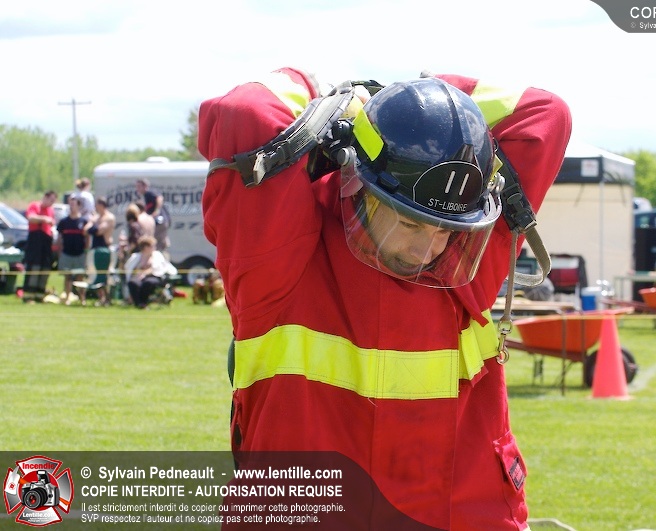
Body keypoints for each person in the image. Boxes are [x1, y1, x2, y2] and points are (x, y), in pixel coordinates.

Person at [199, 67, 571, 530]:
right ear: (358, 184)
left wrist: (416, 99)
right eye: (410, 224)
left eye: (445, 230)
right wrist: (328, 93)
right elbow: (246, 113)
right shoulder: (278, 266)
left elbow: (544, 114)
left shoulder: (464, 258)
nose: (428, 250)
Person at [22, 190, 57, 300]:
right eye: (51, 200)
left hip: (46, 241)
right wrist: (44, 219)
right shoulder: (34, 206)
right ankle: (29, 296)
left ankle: (39, 295)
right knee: (34, 267)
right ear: (45, 197)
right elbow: (31, 218)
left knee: (45, 267)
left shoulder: (51, 210)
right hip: (35, 240)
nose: (52, 203)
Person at [55, 194, 89, 306]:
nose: (71, 207)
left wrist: (86, 251)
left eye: (74, 204)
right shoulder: (64, 222)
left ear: (79, 206)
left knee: (80, 277)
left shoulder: (83, 221)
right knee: (67, 276)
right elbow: (59, 238)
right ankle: (67, 297)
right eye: (70, 204)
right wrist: (59, 251)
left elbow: (87, 238)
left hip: (80, 253)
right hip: (67, 253)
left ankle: (82, 298)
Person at [124, 235, 174, 309]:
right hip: (138, 276)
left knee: (148, 283)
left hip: (154, 276)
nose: (154, 248)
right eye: (152, 246)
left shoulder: (157, 255)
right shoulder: (136, 256)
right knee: (133, 283)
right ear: (146, 247)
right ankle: (138, 304)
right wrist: (138, 272)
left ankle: (144, 302)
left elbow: (157, 268)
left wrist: (144, 273)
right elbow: (129, 267)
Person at [84, 196, 116, 306]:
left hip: (105, 249)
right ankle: (101, 297)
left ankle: (107, 298)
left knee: (105, 275)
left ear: (101, 205)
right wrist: (93, 224)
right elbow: (85, 230)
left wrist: (93, 224)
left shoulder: (109, 217)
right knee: (94, 274)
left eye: (97, 205)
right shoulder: (96, 217)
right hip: (94, 249)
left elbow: (99, 231)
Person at [135, 178, 170, 255]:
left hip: (160, 221)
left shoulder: (149, 192)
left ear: (145, 186)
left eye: (139, 186)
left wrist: (156, 211)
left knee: (157, 244)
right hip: (158, 222)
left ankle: (161, 257)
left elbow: (159, 198)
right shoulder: (145, 196)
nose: (137, 189)